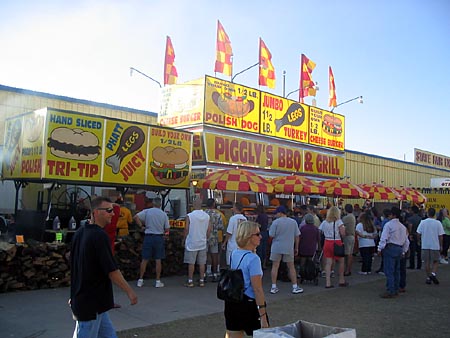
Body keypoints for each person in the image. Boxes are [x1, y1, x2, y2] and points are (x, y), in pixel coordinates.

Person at [70, 196, 137, 338]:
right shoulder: (99, 236)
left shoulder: (80, 233)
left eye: (112, 210)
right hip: (89, 305)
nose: (113, 214)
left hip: (97, 304)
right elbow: (112, 271)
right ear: (96, 212)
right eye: (109, 210)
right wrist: (130, 291)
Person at [224, 221, 269, 337]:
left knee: (233, 333)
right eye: (257, 234)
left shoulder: (234, 253)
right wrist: (263, 315)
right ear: (249, 237)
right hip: (248, 304)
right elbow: (257, 289)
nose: (261, 237)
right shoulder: (254, 259)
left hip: (233, 302)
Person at [134, 197, 170, 288]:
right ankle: (157, 281)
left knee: (145, 259)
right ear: (160, 204)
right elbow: (167, 229)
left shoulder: (147, 211)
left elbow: (136, 217)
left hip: (148, 236)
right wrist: (166, 235)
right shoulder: (163, 214)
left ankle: (140, 280)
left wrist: (141, 226)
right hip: (158, 238)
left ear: (153, 203)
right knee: (158, 260)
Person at [268, 206, 303, 294]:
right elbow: (297, 236)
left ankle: (273, 286)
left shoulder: (275, 222)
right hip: (288, 246)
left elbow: (271, 235)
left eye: (276, 213)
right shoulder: (293, 222)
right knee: (291, 266)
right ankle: (295, 286)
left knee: (275, 266)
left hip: (276, 246)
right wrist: (296, 247)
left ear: (280, 213)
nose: (275, 214)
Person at [377, 206, 409, 298]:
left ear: (392, 215)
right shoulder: (403, 227)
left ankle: (390, 290)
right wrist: (404, 251)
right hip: (399, 248)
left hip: (390, 248)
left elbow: (384, 238)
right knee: (397, 270)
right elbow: (407, 241)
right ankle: (396, 288)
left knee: (389, 270)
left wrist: (380, 248)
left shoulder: (389, 225)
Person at [183, 198, 211, 287]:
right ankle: (202, 280)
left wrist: (184, 239)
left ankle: (190, 281)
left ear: (194, 205)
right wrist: (206, 238)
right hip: (202, 242)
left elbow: (186, 229)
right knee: (202, 263)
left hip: (192, 241)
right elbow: (209, 230)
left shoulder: (189, 216)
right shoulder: (207, 216)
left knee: (191, 263)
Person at [319, 206, 348, 288]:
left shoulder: (325, 222)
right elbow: (343, 233)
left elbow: (320, 231)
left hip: (327, 242)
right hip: (337, 242)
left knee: (328, 262)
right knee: (341, 261)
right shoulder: (339, 222)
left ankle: (328, 282)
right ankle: (341, 280)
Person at [417, 208, 445, 285]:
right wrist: (441, 245)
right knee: (436, 261)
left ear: (428, 213)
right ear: (434, 214)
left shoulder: (423, 222)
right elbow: (441, 236)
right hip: (435, 245)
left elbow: (418, 233)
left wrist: (419, 240)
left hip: (425, 244)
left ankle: (428, 277)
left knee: (427, 262)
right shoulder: (438, 223)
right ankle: (433, 274)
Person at [204, 198, 225, 281]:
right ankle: (215, 273)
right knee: (215, 255)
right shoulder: (217, 214)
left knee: (205, 255)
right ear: (213, 204)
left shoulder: (203, 213)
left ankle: (206, 272)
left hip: (204, 236)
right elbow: (221, 227)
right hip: (214, 237)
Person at [342, 204, 356, 276]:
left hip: (347, 236)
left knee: (347, 254)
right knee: (350, 254)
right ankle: (349, 269)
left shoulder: (346, 217)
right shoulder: (353, 216)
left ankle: (347, 270)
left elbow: (341, 225)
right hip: (352, 236)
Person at [255, 205, 269, 269]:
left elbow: (258, 225)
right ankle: (264, 264)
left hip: (260, 233)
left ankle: (259, 265)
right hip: (265, 233)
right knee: (264, 249)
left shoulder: (260, 216)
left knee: (259, 250)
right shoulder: (266, 216)